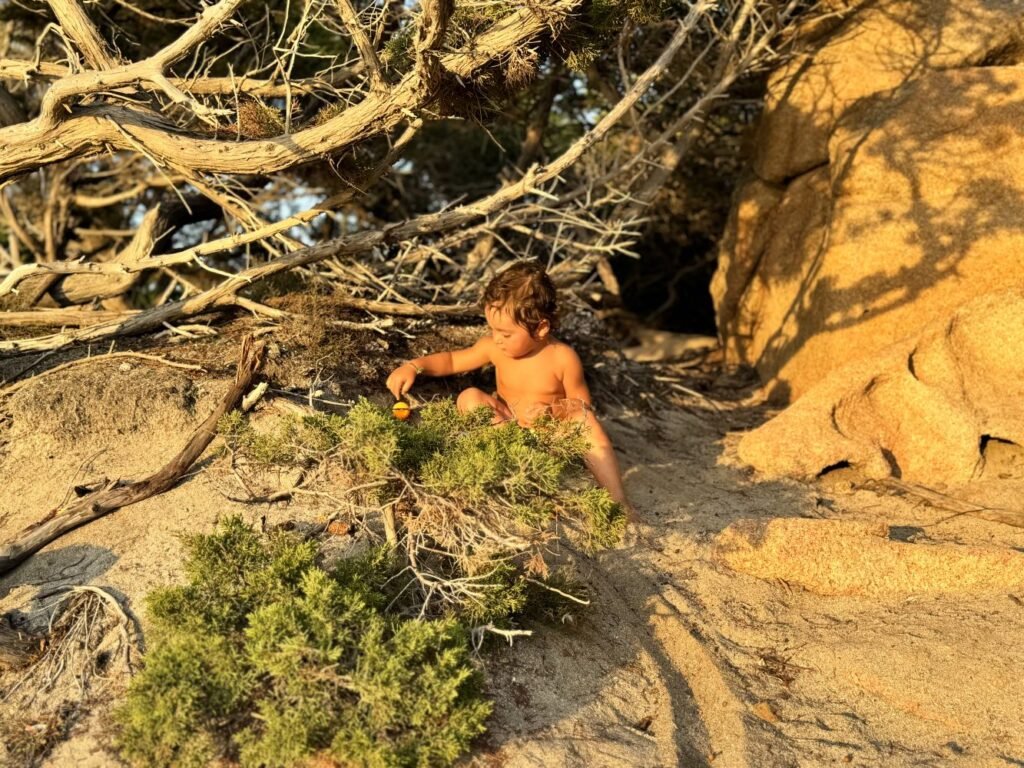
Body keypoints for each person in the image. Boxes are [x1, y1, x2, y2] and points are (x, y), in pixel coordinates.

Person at [385, 260, 634, 519]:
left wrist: (551, 412)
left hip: (548, 438)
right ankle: (506, 469)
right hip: (507, 431)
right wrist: (414, 367)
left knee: (588, 424)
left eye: (505, 333)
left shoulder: (562, 358)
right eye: (493, 330)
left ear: (540, 328)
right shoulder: (494, 346)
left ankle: (618, 502)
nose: (497, 338)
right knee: (470, 397)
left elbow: (582, 407)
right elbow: (452, 360)